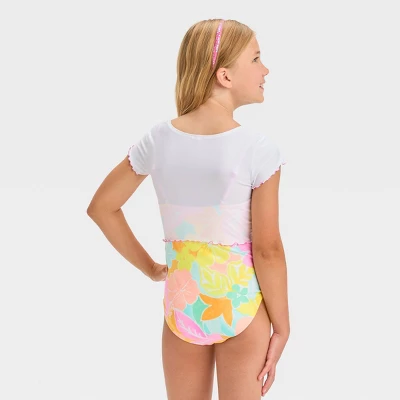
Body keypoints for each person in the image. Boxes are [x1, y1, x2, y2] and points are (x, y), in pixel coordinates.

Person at [87, 18, 290, 400]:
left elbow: (102, 208)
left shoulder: (158, 139)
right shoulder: (258, 149)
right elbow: (268, 249)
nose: (265, 70)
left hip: (182, 305)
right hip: (241, 305)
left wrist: (151, 268)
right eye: (256, 59)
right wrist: (282, 325)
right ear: (225, 75)